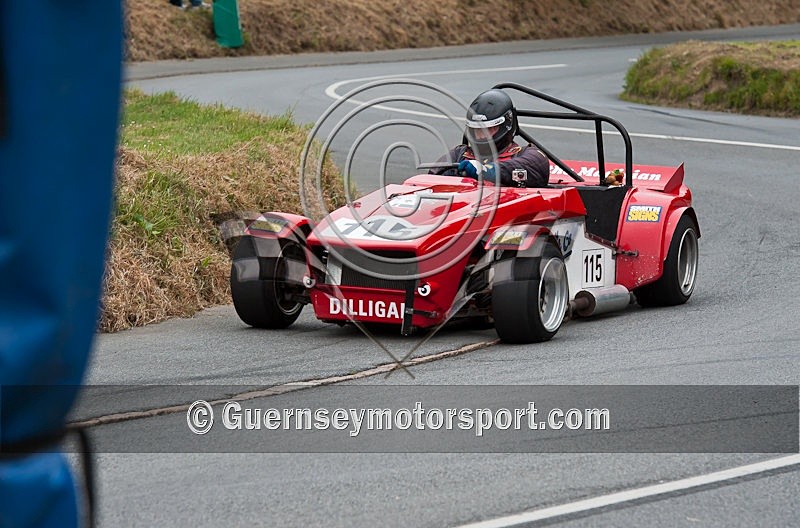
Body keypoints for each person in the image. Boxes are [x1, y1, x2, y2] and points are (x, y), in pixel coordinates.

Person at [431, 89, 550, 188]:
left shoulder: (528, 156)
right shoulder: (460, 154)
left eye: (489, 129)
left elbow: (538, 168)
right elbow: (430, 181)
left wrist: (487, 171)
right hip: (467, 210)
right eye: (478, 130)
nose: (482, 135)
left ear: (506, 126)